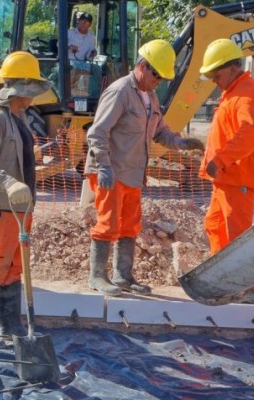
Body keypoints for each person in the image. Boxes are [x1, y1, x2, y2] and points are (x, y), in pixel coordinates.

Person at [84, 40, 205, 296]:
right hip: (112, 172)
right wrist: (103, 167)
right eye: (156, 75)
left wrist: (181, 143)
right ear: (142, 66)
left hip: (133, 174)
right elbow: (97, 133)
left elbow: (159, 131)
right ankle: (97, 277)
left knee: (130, 226)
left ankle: (123, 276)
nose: (158, 81)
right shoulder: (120, 92)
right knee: (107, 224)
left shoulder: (149, 97)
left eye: (162, 78)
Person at [0, 51, 52, 340]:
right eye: (29, 89)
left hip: (20, 208)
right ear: (19, 87)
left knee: (13, 267)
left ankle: (11, 327)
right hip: (0, 205)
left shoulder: (19, 116)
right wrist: (8, 183)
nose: (31, 97)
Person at [198, 38, 254, 305]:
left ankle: (250, 289)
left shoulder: (246, 93)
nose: (215, 81)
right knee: (215, 226)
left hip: (236, 177)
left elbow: (247, 135)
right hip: (225, 179)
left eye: (217, 75)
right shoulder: (234, 92)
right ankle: (222, 280)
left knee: (238, 235)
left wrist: (221, 159)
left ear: (232, 68)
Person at [67, 12, 97, 95]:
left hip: (82, 63)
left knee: (90, 73)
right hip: (67, 62)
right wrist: (69, 47)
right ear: (78, 21)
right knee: (73, 71)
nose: (84, 23)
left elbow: (88, 56)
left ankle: (85, 96)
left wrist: (93, 53)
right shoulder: (69, 33)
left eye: (87, 22)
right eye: (82, 21)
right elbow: (59, 45)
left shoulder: (91, 38)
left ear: (90, 25)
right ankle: (67, 94)